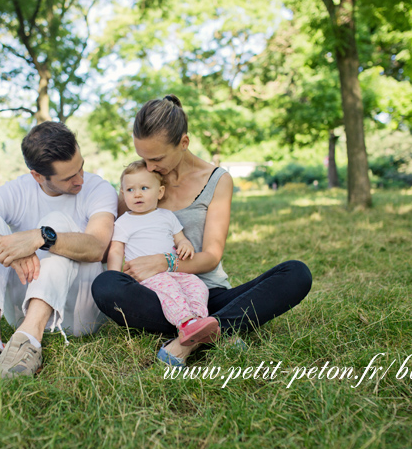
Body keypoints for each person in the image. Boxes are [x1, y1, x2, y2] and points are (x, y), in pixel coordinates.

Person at [91, 94, 312, 367]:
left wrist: (165, 263)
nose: (149, 167)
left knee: (296, 273)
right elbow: (112, 243)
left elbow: (211, 256)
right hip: (158, 295)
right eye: (143, 158)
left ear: (184, 142)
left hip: (209, 292)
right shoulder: (138, 184)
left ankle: (192, 334)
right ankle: (220, 329)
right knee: (105, 285)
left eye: (156, 158)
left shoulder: (217, 180)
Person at [0, 121, 117, 378]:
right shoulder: (17, 190)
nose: (80, 179)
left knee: (56, 224)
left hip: (79, 310)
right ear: (37, 176)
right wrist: (3, 244)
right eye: (69, 177)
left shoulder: (98, 188)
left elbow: (97, 246)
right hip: (22, 305)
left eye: (80, 167)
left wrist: (41, 238)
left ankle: (29, 342)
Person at [108, 160, 220, 348]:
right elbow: (116, 250)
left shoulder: (166, 216)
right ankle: (185, 322)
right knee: (170, 290)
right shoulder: (123, 222)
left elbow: (180, 238)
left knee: (198, 285)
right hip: (148, 277)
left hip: (175, 271)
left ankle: (200, 320)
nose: (137, 194)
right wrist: (113, 275)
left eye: (144, 188)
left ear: (160, 192)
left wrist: (185, 245)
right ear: (122, 193)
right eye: (130, 190)